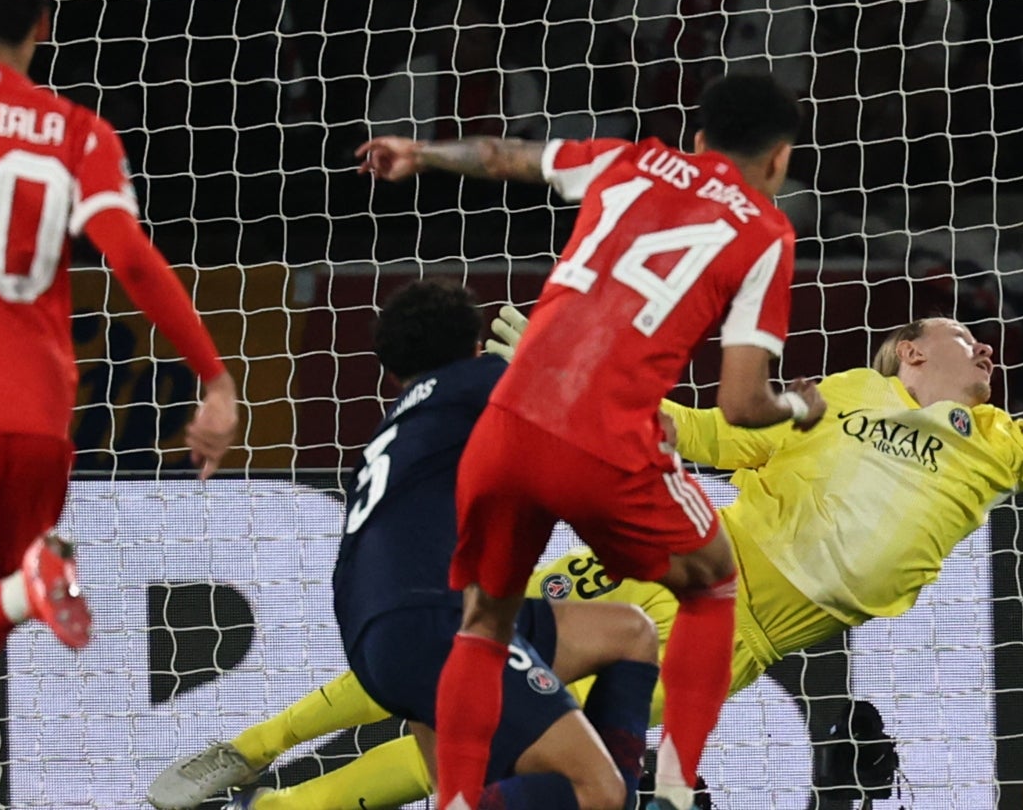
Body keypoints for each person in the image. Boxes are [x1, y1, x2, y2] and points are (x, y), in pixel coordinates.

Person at [148, 263, 1023, 810]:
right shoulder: (843, 400)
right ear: (908, 355)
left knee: (507, 733)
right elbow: (707, 431)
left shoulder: (1007, 446)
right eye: (962, 335)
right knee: (463, 648)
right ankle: (246, 749)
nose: (984, 348)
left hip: (739, 633)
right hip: (673, 560)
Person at [383, 74, 823, 810]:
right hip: (603, 441)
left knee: (485, 625)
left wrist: (419, 152)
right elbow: (741, 405)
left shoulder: (627, 159)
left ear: (698, 138)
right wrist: (799, 408)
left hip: (509, 423)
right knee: (712, 582)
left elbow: (501, 156)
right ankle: (679, 786)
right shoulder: (766, 232)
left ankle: (454, 802)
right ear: (779, 160)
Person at [146, 280, 665, 810]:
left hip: (383, 636)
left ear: (393, 374)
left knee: (628, 633)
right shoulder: (477, 382)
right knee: (596, 790)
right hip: (437, 626)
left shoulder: (390, 435)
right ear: (477, 346)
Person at [0, 0, 241, 799]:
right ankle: (20, 601)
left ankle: (26, 594)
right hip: (38, 421)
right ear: (43, 26)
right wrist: (214, 379)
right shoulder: (76, 133)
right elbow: (131, 260)